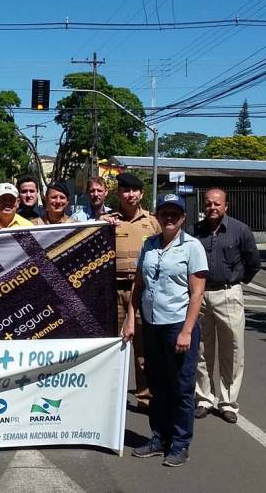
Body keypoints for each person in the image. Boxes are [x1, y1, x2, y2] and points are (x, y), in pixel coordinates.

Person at [125, 193, 207, 467]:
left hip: (177, 325)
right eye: (164, 213)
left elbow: (196, 294)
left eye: (175, 213)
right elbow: (139, 284)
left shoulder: (192, 247)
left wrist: (186, 330)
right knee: (157, 385)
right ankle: (158, 438)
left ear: (183, 217)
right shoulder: (148, 245)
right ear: (157, 216)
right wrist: (131, 317)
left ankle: (180, 443)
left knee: (181, 387)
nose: (169, 218)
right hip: (152, 325)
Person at [193, 188, 260, 424]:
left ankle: (228, 402)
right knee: (201, 349)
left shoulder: (240, 230)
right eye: (208, 203)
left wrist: (235, 283)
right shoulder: (196, 231)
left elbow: (253, 263)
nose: (212, 207)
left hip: (228, 293)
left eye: (217, 204)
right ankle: (203, 398)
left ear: (226, 206)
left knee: (233, 349)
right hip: (200, 296)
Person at [103, 173, 159, 410]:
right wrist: (102, 223)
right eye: (126, 190)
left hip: (143, 292)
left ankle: (145, 398)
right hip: (113, 291)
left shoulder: (152, 222)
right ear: (119, 194)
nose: (131, 194)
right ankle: (111, 399)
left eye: (135, 190)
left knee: (143, 350)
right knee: (113, 347)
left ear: (142, 194)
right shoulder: (107, 222)